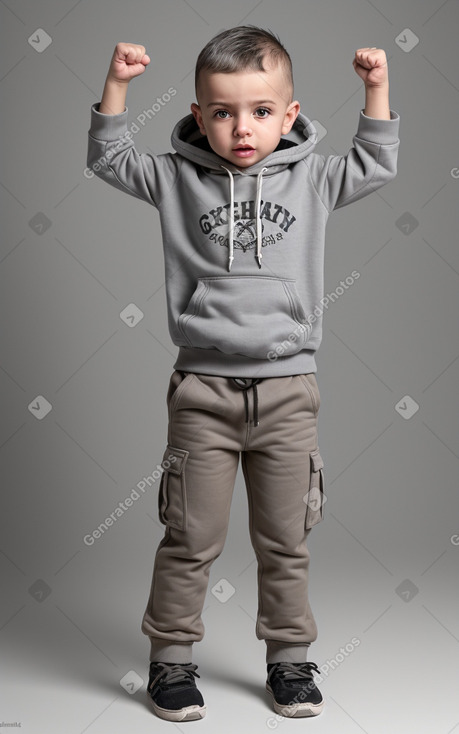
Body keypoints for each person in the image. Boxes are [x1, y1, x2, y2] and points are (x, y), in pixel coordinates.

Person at [86, 26, 400, 722]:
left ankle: (289, 662)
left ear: (290, 115)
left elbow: (374, 166)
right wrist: (119, 84)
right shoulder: (174, 178)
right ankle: (170, 661)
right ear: (198, 115)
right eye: (222, 112)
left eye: (260, 110)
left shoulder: (312, 178)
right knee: (189, 538)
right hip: (202, 392)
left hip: (290, 393)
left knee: (285, 540)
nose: (241, 127)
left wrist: (375, 89)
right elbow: (109, 158)